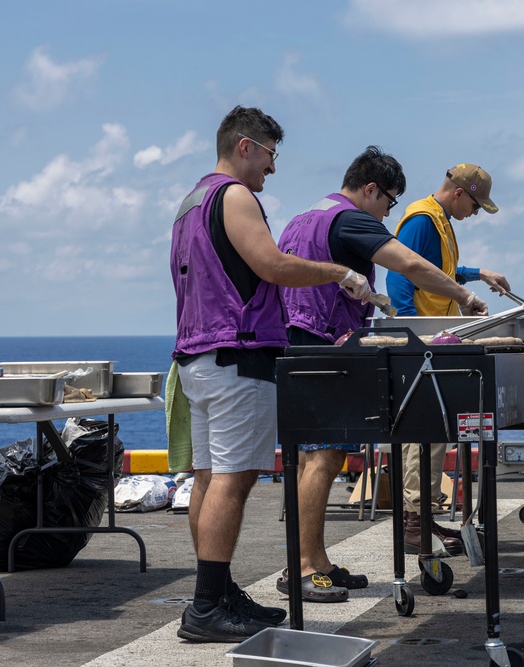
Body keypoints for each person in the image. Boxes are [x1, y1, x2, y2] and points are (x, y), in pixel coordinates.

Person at [170, 106, 372, 643]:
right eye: (270, 155)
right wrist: (341, 273)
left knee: (209, 478)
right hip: (239, 355)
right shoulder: (234, 196)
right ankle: (207, 607)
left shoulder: (189, 204)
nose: (272, 169)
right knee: (233, 482)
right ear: (245, 147)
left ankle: (215, 592)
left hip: (198, 355)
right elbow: (272, 265)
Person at [275, 147, 489, 597]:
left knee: (312, 458)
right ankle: (301, 568)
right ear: (370, 189)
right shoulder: (352, 218)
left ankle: (315, 560)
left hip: (296, 341)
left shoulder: (304, 217)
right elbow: (408, 264)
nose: (388, 212)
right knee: (325, 457)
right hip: (326, 344)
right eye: (389, 201)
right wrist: (464, 297)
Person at [385, 164, 509, 555]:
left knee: (435, 429)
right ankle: (413, 522)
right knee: (424, 431)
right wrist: (411, 330)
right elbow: (399, 274)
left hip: (431, 338)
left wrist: (478, 273)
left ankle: (421, 514)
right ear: (459, 193)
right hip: (421, 339)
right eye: (475, 205)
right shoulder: (423, 219)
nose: (474, 213)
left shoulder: (439, 221)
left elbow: (440, 272)